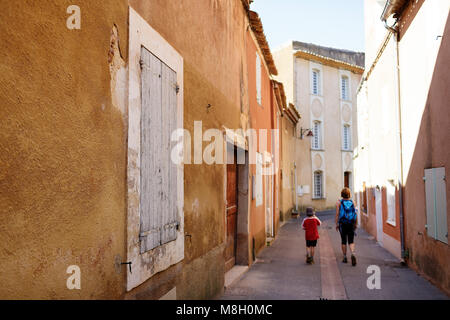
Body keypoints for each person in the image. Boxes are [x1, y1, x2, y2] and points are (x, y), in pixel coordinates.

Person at [335, 187, 358, 266]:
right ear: (349, 194)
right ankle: (353, 253)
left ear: (342, 194)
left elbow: (337, 214)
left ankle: (345, 257)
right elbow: (356, 213)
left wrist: (336, 224)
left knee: (343, 240)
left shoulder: (339, 202)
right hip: (351, 223)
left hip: (342, 223)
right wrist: (355, 223)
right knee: (351, 240)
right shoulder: (353, 202)